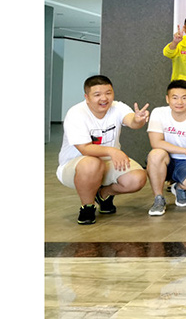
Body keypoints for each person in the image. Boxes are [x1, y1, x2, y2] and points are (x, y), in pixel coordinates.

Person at [56, 75, 149, 224]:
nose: (104, 98)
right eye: (97, 95)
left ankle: (103, 194)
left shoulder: (118, 107)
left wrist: (139, 120)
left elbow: (132, 122)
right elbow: (85, 149)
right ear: (87, 97)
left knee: (137, 179)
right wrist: (113, 151)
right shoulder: (76, 113)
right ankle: (87, 206)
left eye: (108, 93)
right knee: (92, 163)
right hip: (75, 166)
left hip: (108, 162)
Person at [145, 80, 186, 216]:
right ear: (167, 99)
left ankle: (178, 187)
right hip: (165, 160)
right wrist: (185, 150)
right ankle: (158, 199)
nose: (179, 102)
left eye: (184, 98)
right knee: (155, 154)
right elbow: (156, 142)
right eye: (175, 98)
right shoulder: (159, 113)